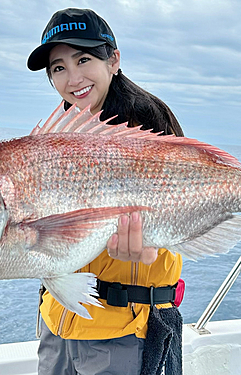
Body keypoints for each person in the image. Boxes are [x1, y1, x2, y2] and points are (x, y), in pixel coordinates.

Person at [27, 8, 185, 375]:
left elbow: (178, 215)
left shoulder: (149, 124)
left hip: (125, 330)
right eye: (58, 67)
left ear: (113, 60)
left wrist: (150, 248)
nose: (73, 77)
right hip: (59, 320)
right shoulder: (55, 137)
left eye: (84, 59)